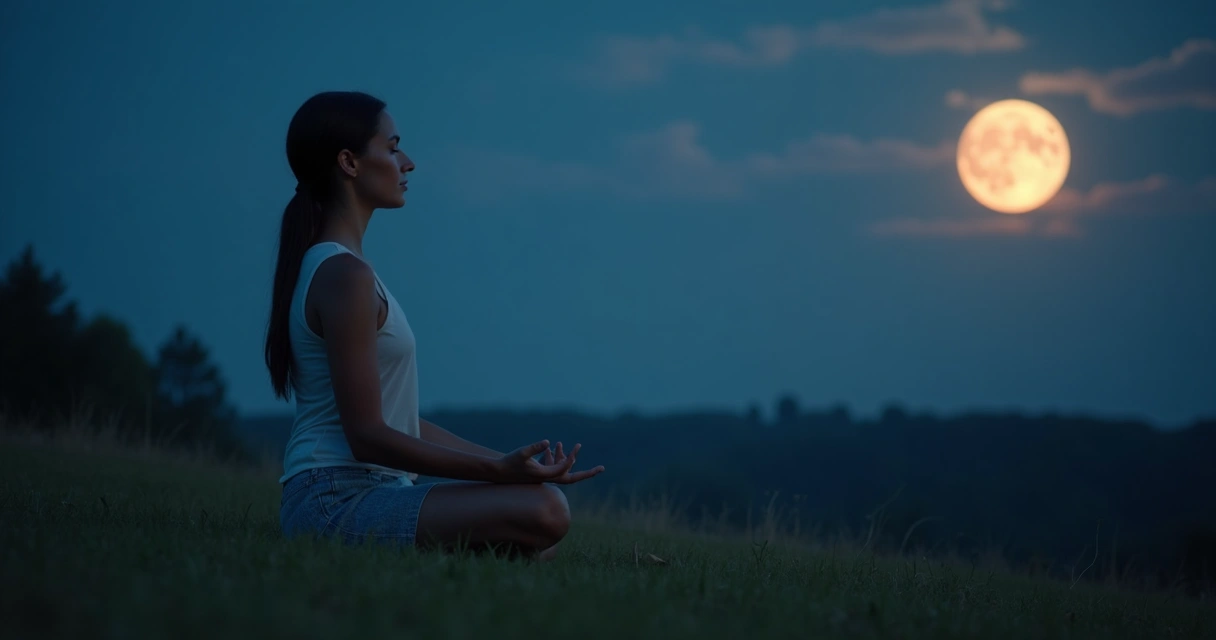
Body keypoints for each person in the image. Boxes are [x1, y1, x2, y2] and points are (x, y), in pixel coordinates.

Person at [266, 91, 605, 560]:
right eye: (392, 147)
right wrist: (495, 474)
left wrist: (513, 466)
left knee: (535, 522)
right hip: (333, 499)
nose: (407, 163)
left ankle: (453, 556)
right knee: (545, 512)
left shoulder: (347, 271)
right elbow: (366, 435)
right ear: (349, 162)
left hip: (368, 490)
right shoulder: (345, 276)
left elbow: (401, 423)